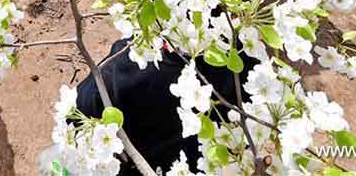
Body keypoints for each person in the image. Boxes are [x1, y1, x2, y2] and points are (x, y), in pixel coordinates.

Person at [74, 38, 253, 174]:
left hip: (137, 154)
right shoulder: (246, 72)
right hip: (170, 158)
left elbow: (79, 112)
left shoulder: (126, 63)